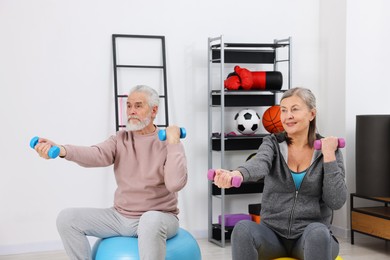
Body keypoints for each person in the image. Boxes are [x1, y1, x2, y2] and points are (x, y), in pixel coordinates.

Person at [33, 85, 188, 260]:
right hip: (120, 217)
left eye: (138, 106)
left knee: (149, 220)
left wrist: (174, 142)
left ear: (154, 111)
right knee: (67, 218)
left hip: (160, 217)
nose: (131, 111)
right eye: (128, 106)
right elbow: (95, 154)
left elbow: (175, 183)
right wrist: (61, 150)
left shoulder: (169, 143)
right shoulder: (120, 139)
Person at [213, 87, 347, 260]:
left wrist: (328, 156)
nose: (287, 116)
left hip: (310, 236)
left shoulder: (330, 150)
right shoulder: (272, 143)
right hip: (272, 236)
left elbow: (336, 201)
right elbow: (259, 163)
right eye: (283, 110)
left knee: (318, 232)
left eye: (295, 109)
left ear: (312, 114)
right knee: (242, 229)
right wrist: (237, 174)